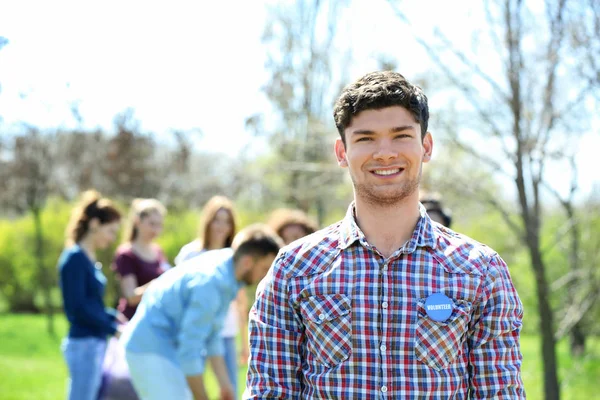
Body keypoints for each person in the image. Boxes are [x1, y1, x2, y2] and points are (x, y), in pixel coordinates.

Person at [245, 71, 525, 399]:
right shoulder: (294, 269)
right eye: (365, 138)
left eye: (401, 135)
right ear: (341, 152)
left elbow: (500, 394)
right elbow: (269, 392)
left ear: (426, 146)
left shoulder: (481, 270)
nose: (385, 152)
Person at [121, 224, 283, 400]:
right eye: (265, 269)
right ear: (247, 262)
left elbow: (213, 334)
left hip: (163, 349)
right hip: (149, 349)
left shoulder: (229, 268)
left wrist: (224, 384)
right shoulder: (211, 284)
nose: (265, 277)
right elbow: (190, 349)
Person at [174, 195, 248, 397]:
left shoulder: (236, 257)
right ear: (208, 221)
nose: (222, 226)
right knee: (188, 386)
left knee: (229, 386)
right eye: (217, 219)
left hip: (224, 332)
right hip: (194, 331)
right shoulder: (191, 253)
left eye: (227, 221)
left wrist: (244, 343)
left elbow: (241, 302)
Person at [58, 190, 124, 400]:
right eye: (110, 231)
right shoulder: (75, 258)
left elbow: (91, 303)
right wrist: (111, 328)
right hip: (84, 344)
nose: (112, 238)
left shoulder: (88, 257)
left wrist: (111, 314)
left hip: (95, 342)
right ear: (95, 224)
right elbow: (78, 308)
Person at [112, 198, 170, 321]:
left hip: (154, 320)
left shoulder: (158, 251)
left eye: (159, 225)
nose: (156, 230)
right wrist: (159, 283)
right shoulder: (126, 254)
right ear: (137, 222)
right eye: (152, 224)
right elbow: (131, 296)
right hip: (133, 321)